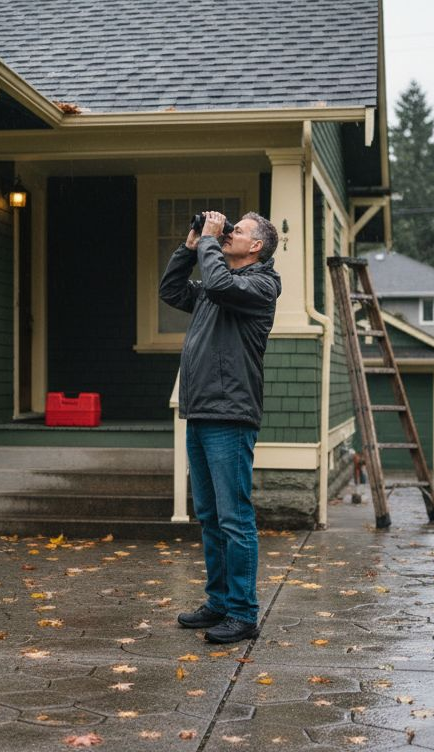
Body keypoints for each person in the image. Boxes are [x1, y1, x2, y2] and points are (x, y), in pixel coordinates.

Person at [159, 209, 281, 644]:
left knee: (234, 517)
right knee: (210, 516)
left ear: (257, 247)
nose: (228, 233)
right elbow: (171, 290)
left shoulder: (260, 285)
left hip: (230, 415)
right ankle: (219, 603)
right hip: (202, 411)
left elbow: (219, 284)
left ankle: (244, 613)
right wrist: (190, 245)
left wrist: (211, 243)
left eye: (239, 231)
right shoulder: (217, 284)